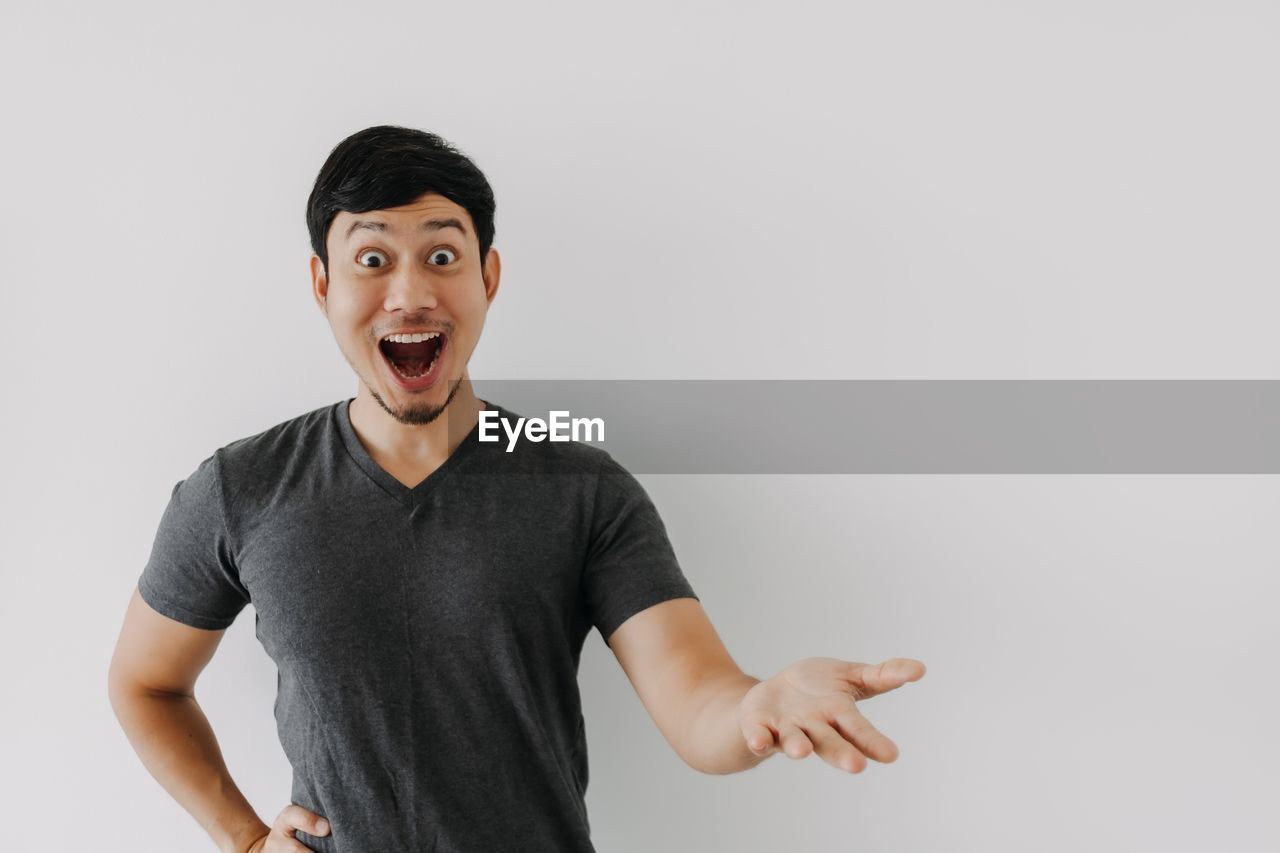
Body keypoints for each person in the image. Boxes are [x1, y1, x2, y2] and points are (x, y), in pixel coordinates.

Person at [107, 125, 926, 853]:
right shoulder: (239, 489)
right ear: (322, 284)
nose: (410, 292)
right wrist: (245, 839)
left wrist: (760, 709)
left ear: (487, 276)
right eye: (371, 258)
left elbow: (698, 699)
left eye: (441, 254)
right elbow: (145, 683)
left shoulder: (581, 489)